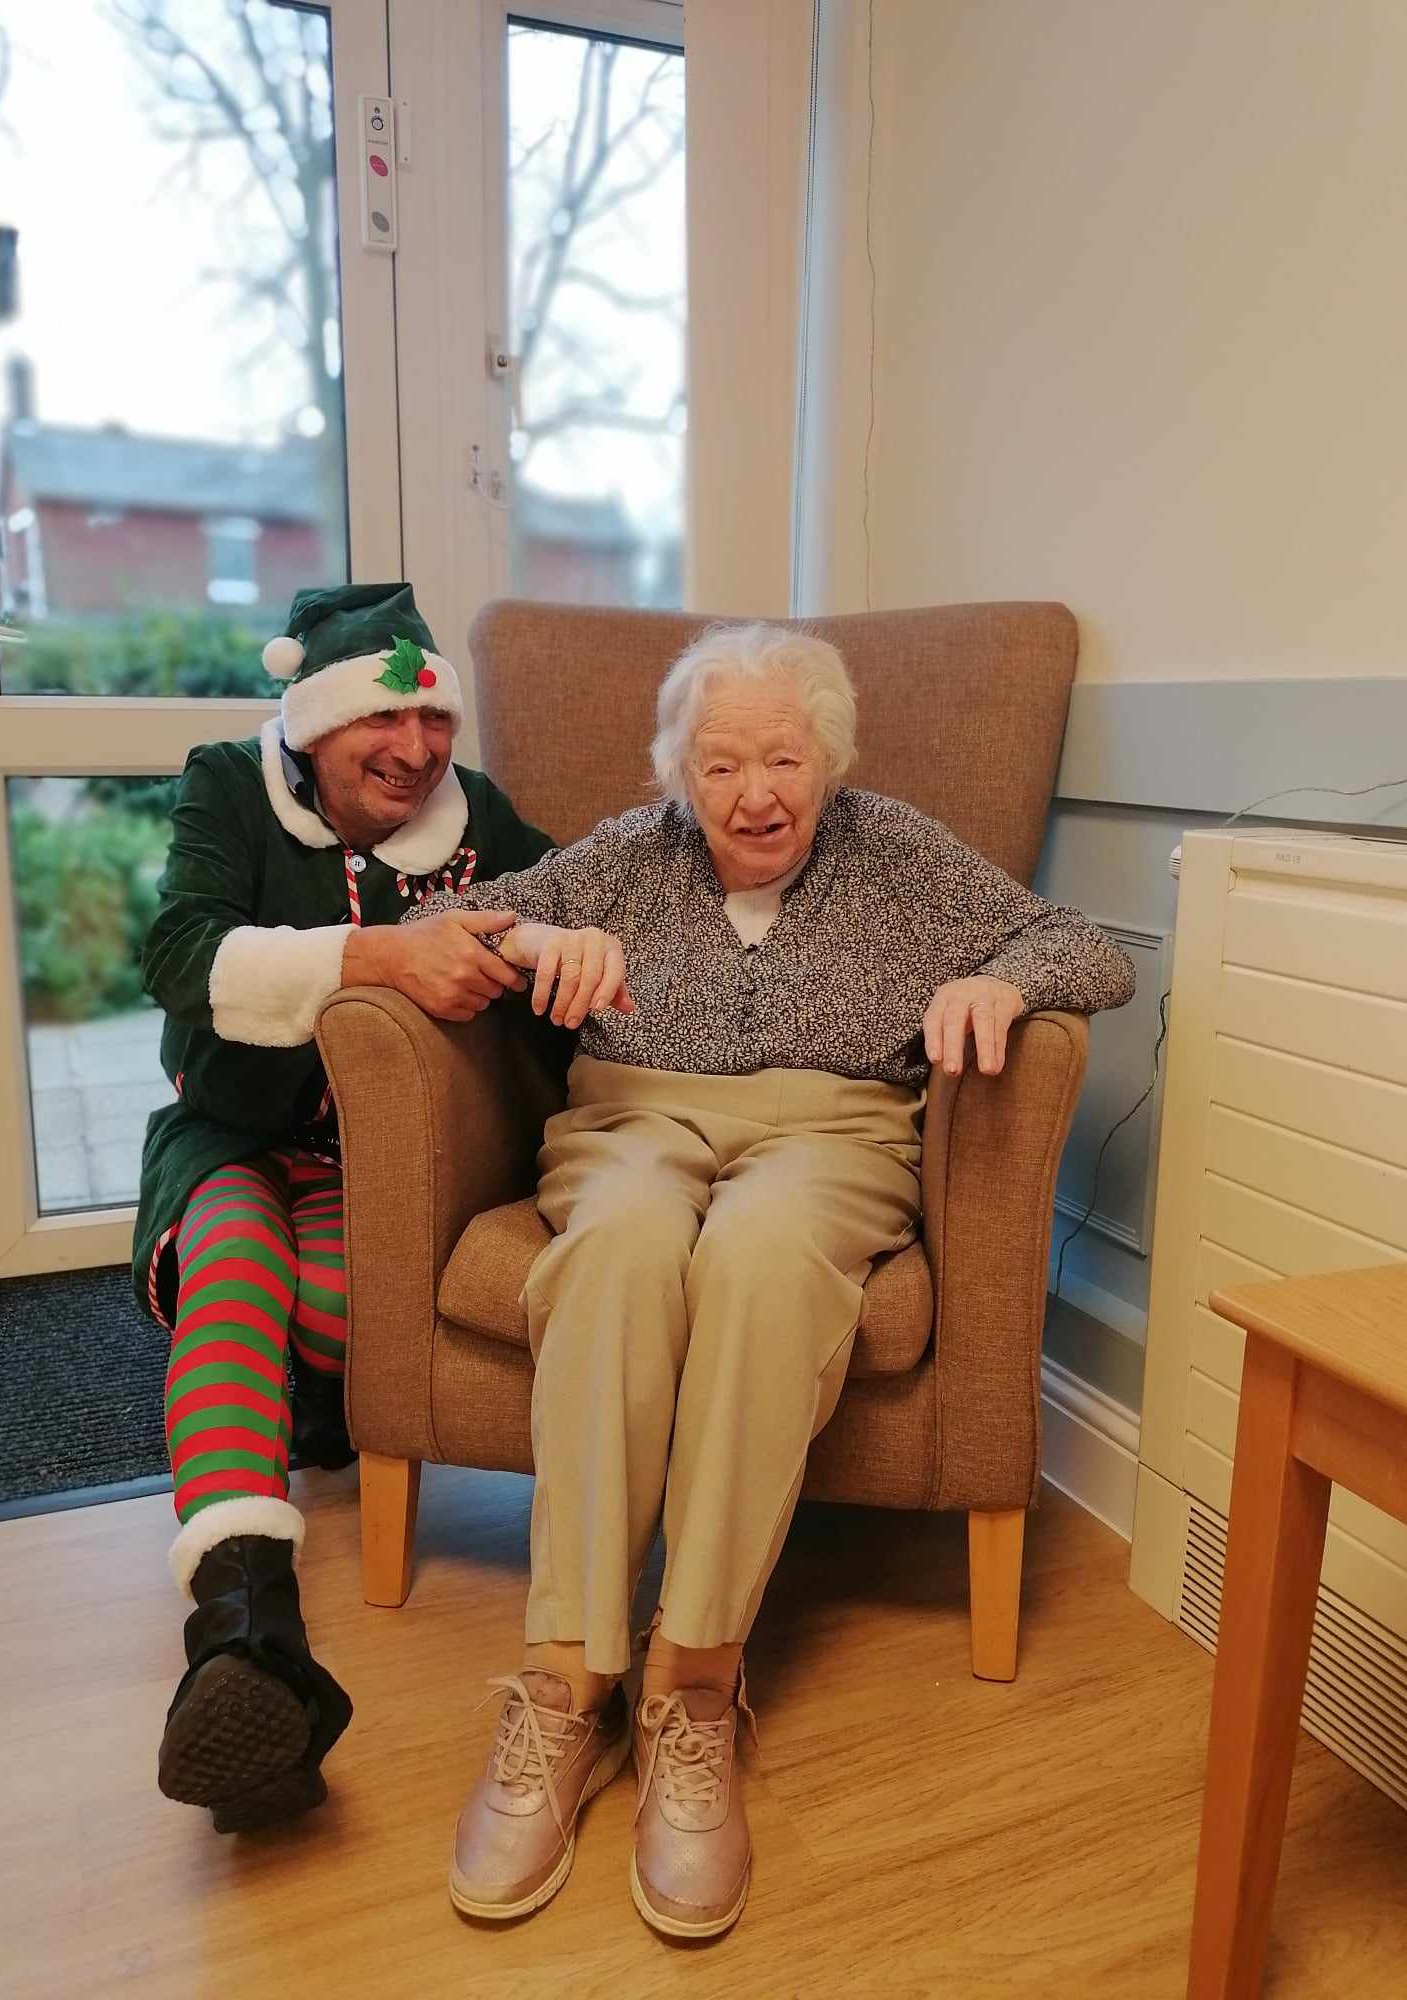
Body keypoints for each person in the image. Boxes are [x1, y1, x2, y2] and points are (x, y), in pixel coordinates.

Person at [399, 621, 1136, 1937]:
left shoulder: (899, 854)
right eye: (725, 762)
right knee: (619, 1247)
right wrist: (525, 946)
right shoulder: (626, 856)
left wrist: (1001, 983)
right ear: (682, 771)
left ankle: (690, 1685)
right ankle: (568, 1685)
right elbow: (439, 923)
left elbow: (1084, 945)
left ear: (829, 761)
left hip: (830, 1135)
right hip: (631, 1125)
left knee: (761, 1253)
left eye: (786, 759)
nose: (757, 795)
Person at [137, 582, 553, 1832]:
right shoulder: (225, 783)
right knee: (229, 1258)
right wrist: (378, 956)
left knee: (321, 1320)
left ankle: (283, 1481)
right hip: (231, 1133)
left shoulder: (477, 820)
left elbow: (573, 903)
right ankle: (246, 1641)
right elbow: (179, 954)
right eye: (386, 722)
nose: (419, 753)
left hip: (377, 1178)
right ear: (311, 723)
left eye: (436, 726)